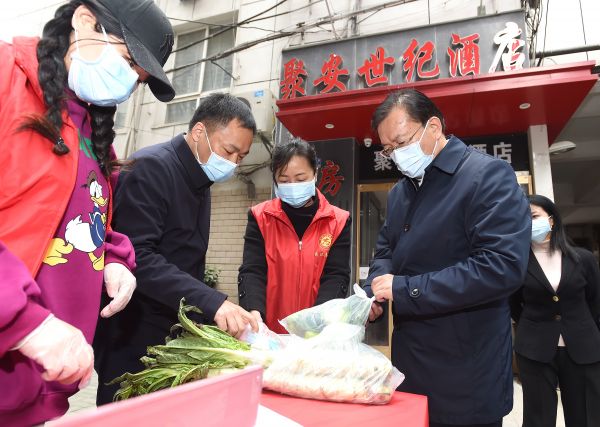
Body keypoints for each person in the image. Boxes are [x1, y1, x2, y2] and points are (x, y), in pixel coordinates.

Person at [0, 0, 175, 424]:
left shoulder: (92, 132)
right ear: (84, 20)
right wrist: (23, 320)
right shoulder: (7, 78)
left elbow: (86, 216)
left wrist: (112, 258)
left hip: (36, 389)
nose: (129, 82)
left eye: (138, 78)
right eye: (129, 62)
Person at [364, 89, 531, 427]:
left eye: (401, 142)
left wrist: (406, 289)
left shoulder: (487, 175)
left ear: (434, 127)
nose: (396, 156)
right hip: (410, 366)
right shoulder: (400, 193)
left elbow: (500, 267)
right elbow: (385, 252)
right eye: (389, 149)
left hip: (466, 370)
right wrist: (373, 293)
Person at [94, 93, 260, 404]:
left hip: (169, 334)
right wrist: (213, 302)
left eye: (242, 157)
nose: (234, 163)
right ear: (199, 132)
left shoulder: (199, 178)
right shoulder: (151, 168)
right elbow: (138, 256)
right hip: (132, 337)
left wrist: (209, 317)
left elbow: (186, 261)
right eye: (229, 151)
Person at [238, 138, 351, 333]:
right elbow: (253, 270)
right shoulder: (260, 217)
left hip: (317, 330)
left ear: (315, 174)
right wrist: (254, 313)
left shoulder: (338, 220)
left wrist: (318, 322)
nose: (292, 185)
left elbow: (336, 275)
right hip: (269, 331)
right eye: (284, 181)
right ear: (275, 181)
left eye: (300, 179)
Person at [510, 195, 600, 427]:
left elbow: (594, 302)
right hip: (535, 348)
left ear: (551, 219)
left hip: (583, 346)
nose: (529, 223)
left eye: (534, 216)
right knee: (538, 417)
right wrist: (535, 324)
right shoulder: (517, 263)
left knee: (586, 415)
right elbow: (514, 305)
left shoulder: (583, 258)